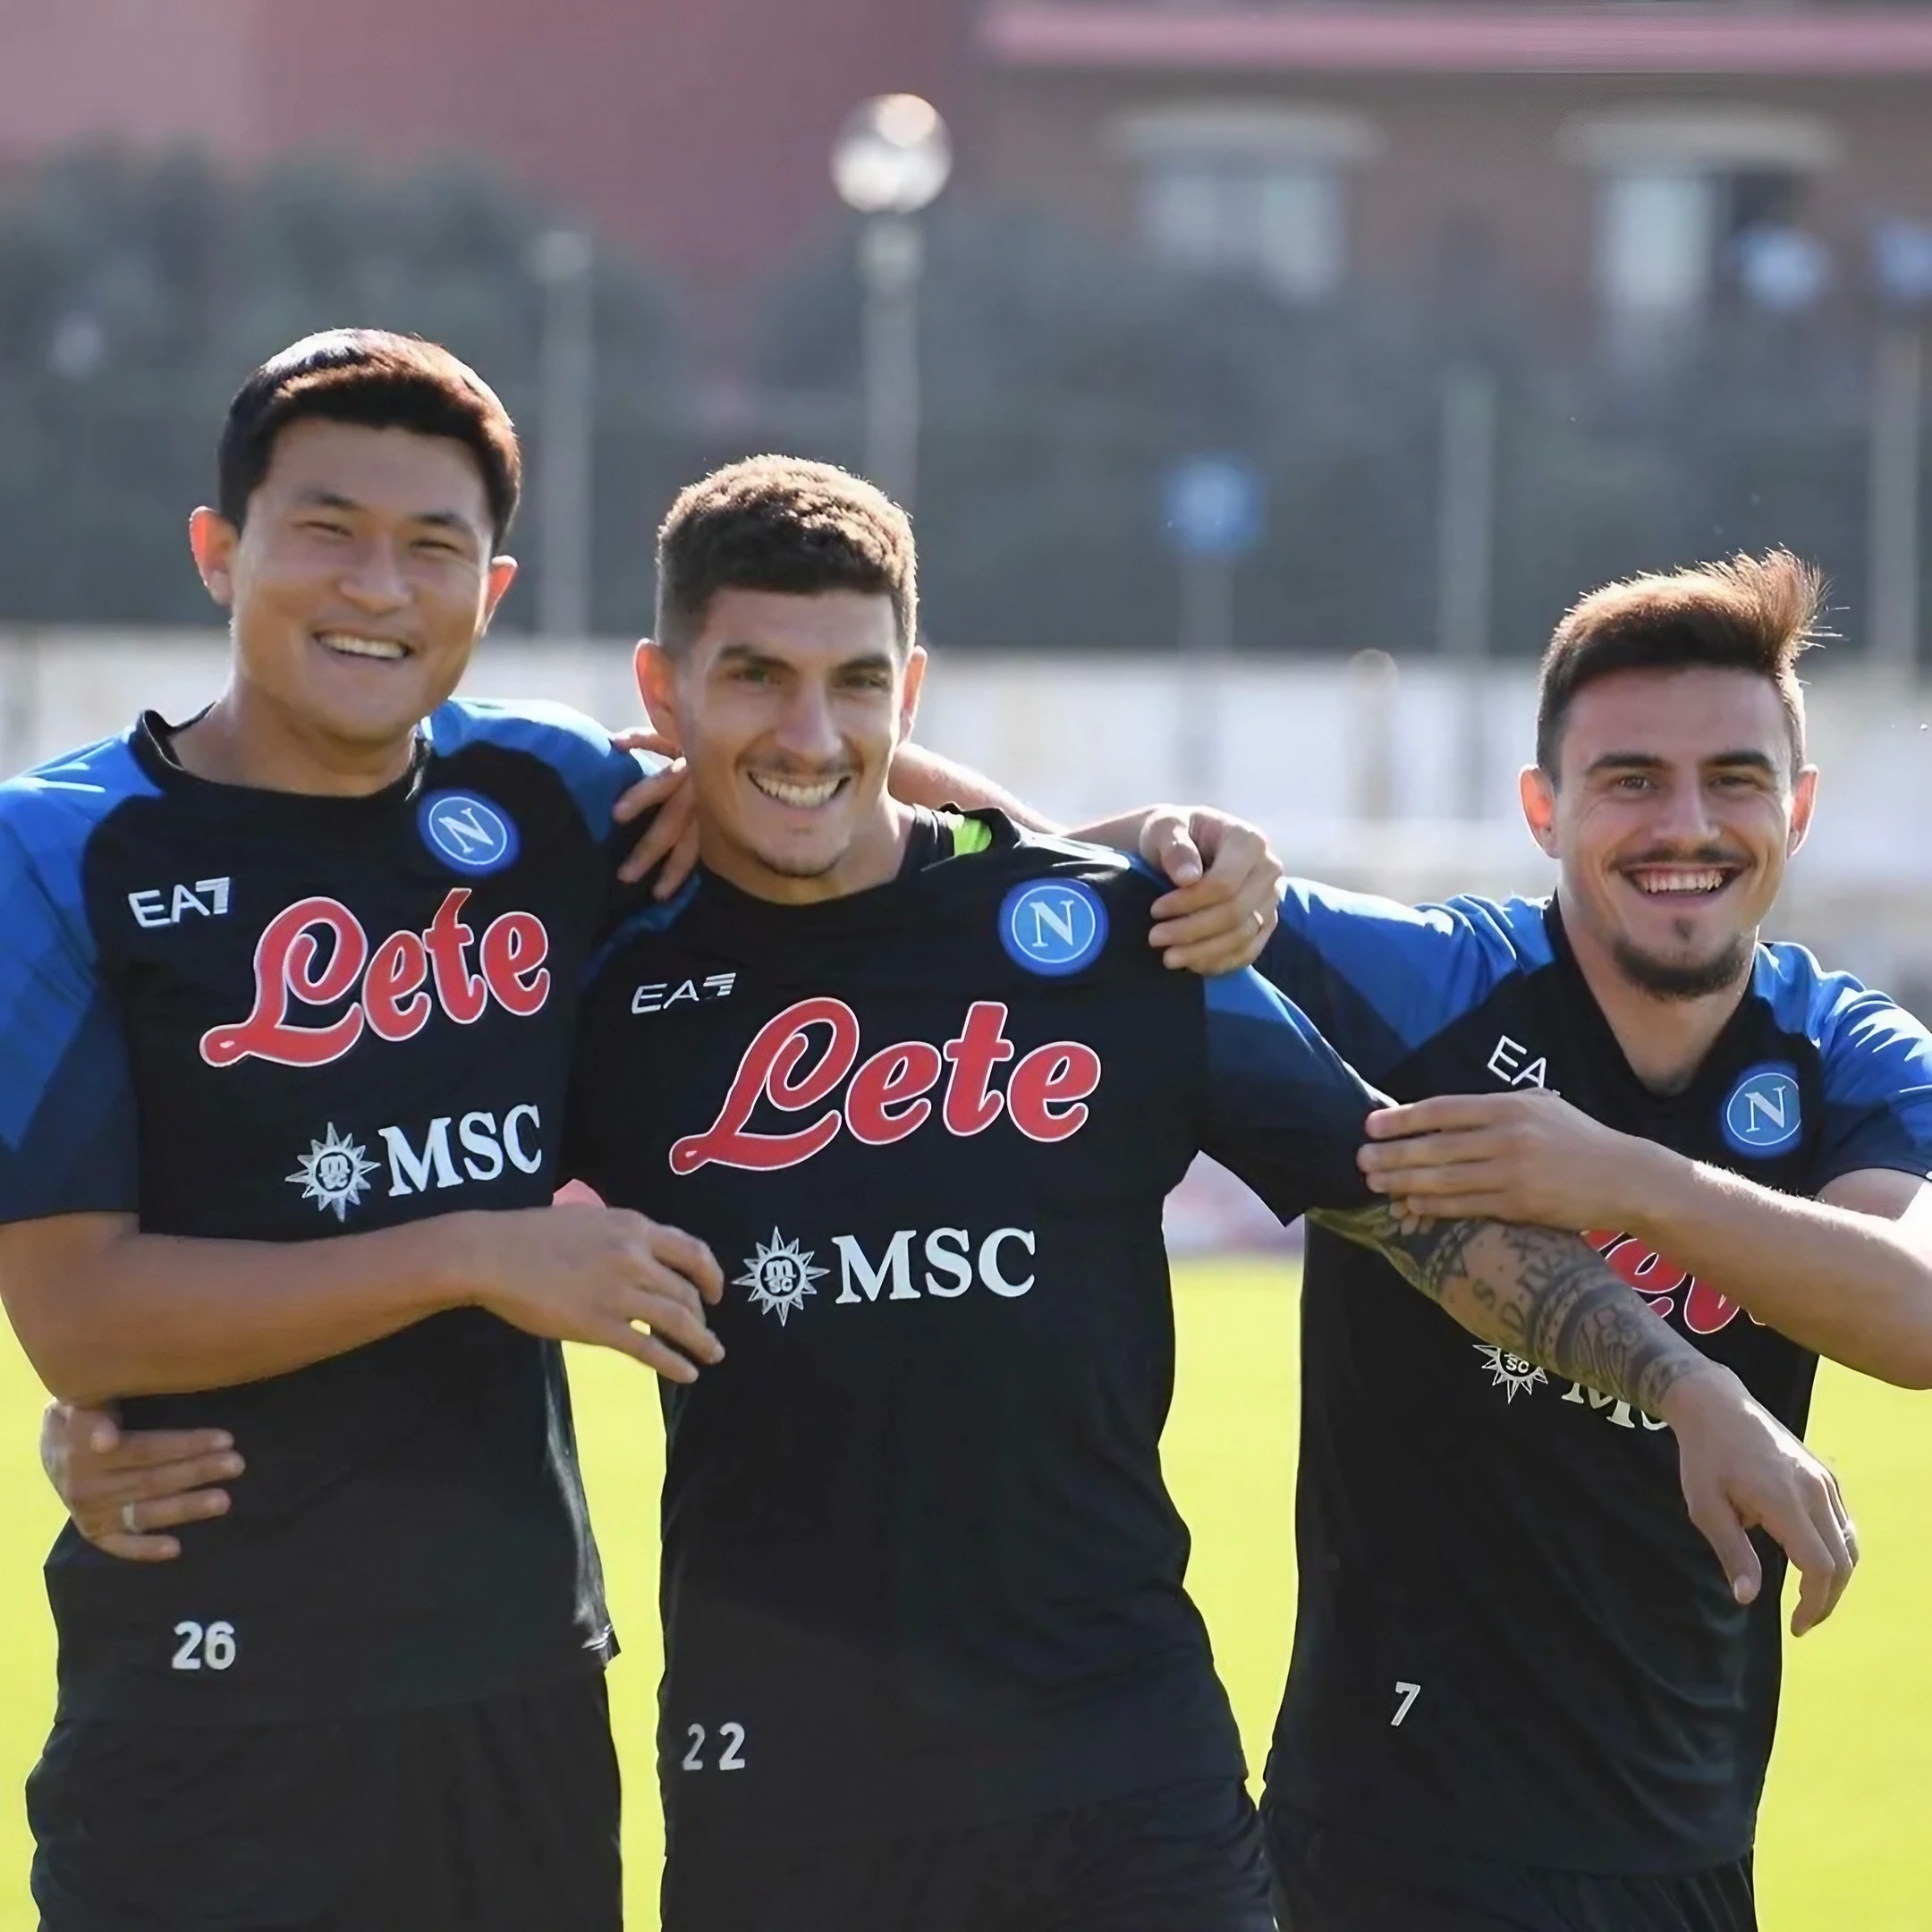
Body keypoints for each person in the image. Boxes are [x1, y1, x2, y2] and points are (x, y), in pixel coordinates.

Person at [2, 333, 1286, 1928]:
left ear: (492, 584)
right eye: (324, 531)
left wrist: (1081, 850)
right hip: (206, 1704)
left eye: (433, 549)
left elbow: (810, 787)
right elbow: (73, 1316)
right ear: (219, 552)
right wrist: (478, 1251)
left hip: (522, 1684)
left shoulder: (539, 794)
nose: (377, 590)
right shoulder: (58, 853)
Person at [560, 462, 1844, 1931]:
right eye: (754, 679)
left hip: (1123, 1788)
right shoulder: (606, 969)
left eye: (856, 680)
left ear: (910, 688)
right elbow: (380, 1178)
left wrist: (1690, 1385)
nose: (813, 730)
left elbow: (1403, 1199)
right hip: (784, 1791)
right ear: (666, 692)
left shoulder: (1104, 937)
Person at [1253, 553, 1907, 1932]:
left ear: (1794, 810)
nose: (1688, 824)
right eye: (1630, 782)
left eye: (1734, 779)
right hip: (1384, 1842)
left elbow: (1917, 1313)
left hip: (1685, 1834)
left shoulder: (1848, 1052)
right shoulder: (1429, 980)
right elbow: (1105, 881)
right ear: (1544, 811)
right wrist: (1200, 848)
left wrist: (1624, 1181)